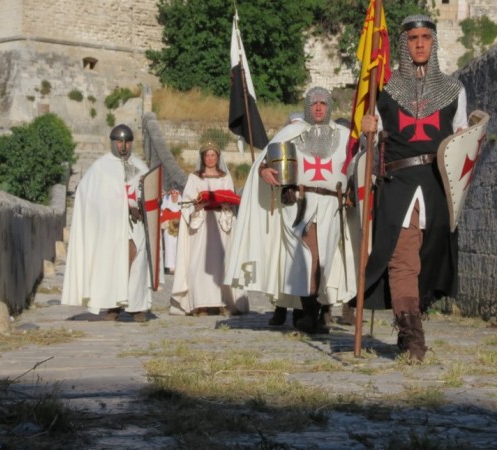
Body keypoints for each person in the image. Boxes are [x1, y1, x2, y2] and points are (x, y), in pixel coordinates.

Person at [360, 15, 467, 362]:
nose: (419, 44)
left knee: (429, 258)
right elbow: (368, 147)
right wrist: (367, 128)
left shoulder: (453, 90)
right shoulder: (386, 92)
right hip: (398, 183)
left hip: (436, 187)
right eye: (412, 38)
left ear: (433, 43)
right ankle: (411, 336)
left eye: (425, 37)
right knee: (401, 259)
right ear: (403, 44)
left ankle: (412, 317)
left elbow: (462, 141)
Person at [225, 87, 357, 333]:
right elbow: (266, 161)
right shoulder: (292, 132)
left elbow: (358, 161)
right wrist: (265, 171)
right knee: (307, 256)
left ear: (329, 107)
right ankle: (308, 314)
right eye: (314, 103)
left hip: (332, 205)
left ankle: (312, 313)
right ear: (308, 106)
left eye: (323, 103)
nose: (318, 107)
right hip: (299, 201)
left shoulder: (344, 135)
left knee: (325, 259)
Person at [62, 124, 152, 322]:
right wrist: (119, 206)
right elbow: (89, 197)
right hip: (110, 227)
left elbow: (149, 191)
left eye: (127, 142)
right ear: (113, 143)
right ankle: (113, 306)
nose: (123, 146)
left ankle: (137, 307)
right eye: (119, 141)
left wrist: (142, 205)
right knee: (114, 261)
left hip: (135, 225)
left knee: (136, 261)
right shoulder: (100, 168)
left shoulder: (140, 166)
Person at [170, 142, 248, 316]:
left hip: (221, 224)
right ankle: (200, 304)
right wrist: (198, 205)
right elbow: (187, 202)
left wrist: (226, 203)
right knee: (198, 263)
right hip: (202, 225)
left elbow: (231, 198)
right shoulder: (195, 178)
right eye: (207, 155)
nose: (210, 158)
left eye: (213, 155)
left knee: (222, 263)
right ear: (203, 158)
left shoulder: (225, 178)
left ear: (218, 158)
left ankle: (221, 302)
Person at [160, 186, 182, 275]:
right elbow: (162, 218)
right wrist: (168, 223)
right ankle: (170, 267)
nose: (174, 196)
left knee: (178, 247)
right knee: (169, 247)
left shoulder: (181, 207)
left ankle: (178, 266)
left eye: (176, 194)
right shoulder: (166, 207)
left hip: (178, 231)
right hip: (168, 230)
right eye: (173, 194)